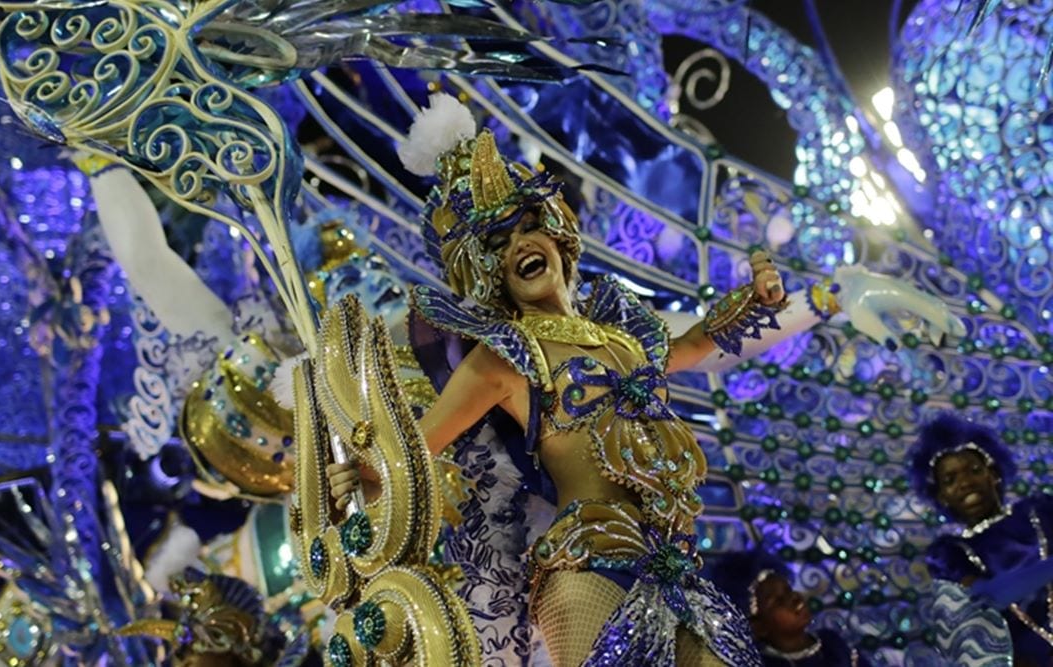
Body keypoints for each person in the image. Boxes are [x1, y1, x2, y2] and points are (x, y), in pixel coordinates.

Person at [326, 94, 963, 666]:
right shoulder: (503, 356)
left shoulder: (621, 333)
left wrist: (827, 293)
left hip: (675, 566)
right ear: (481, 268)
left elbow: (702, 344)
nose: (521, 243)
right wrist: (357, 470)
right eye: (496, 239)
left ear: (556, 235)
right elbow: (411, 449)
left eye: (528, 226)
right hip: (587, 561)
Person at [908, 413, 1053, 667]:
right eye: (949, 480)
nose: (964, 483)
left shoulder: (1040, 510)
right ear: (941, 496)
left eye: (974, 470)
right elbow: (986, 602)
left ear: (994, 473)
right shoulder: (950, 553)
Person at [709, 550, 859, 666]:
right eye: (779, 601)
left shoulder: (832, 645)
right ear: (757, 626)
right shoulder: (758, 663)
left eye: (789, 590)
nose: (795, 598)